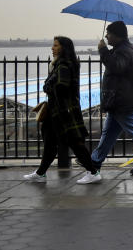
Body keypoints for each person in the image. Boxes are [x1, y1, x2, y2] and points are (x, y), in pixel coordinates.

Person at [23, 36, 102, 184]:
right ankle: (40, 173)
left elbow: (61, 86)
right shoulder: (64, 64)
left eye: (55, 46)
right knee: (50, 142)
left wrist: (47, 86)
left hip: (62, 111)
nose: (52, 48)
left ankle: (93, 172)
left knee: (75, 143)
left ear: (63, 48)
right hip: (59, 111)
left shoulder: (63, 65)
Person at [90, 20, 133, 175]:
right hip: (119, 99)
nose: (106, 36)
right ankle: (95, 161)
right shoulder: (124, 49)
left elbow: (116, 67)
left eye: (109, 33)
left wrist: (103, 50)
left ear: (117, 35)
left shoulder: (124, 51)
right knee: (109, 134)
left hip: (122, 100)